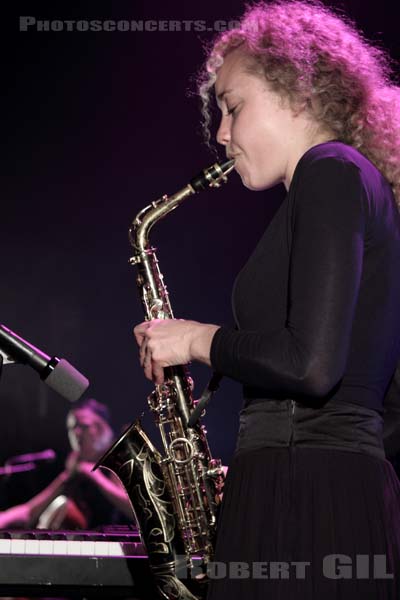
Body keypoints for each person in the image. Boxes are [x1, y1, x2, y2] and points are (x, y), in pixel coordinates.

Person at [133, 1, 400, 598]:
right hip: (320, 494)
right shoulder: (347, 183)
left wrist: (195, 339)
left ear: (299, 94)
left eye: (233, 107)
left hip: (306, 504)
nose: (220, 133)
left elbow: (309, 363)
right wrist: (269, 454)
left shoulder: (330, 171)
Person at [0, 398, 133, 529]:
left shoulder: (118, 461)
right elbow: (30, 511)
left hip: (119, 545)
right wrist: (4, 518)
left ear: (104, 429)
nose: (76, 433)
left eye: (84, 426)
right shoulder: (74, 471)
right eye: (72, 428)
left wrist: (95, 476)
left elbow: (134, 509)